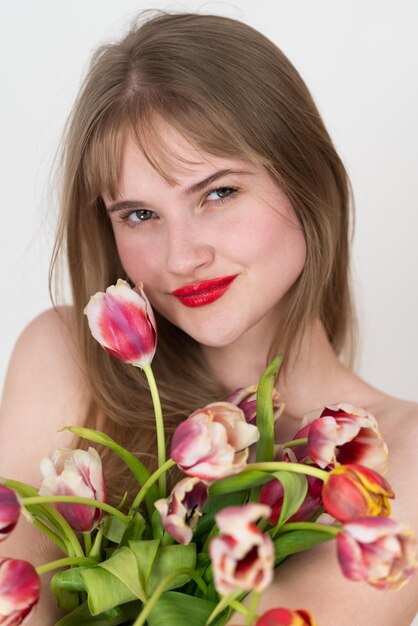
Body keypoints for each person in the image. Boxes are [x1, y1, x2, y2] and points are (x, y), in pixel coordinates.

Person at [1, 10, 417, 626]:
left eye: (217, 193)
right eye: (140, 214)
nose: (182, 257)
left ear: (309, 183)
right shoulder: (69, 358)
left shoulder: (400, 454)